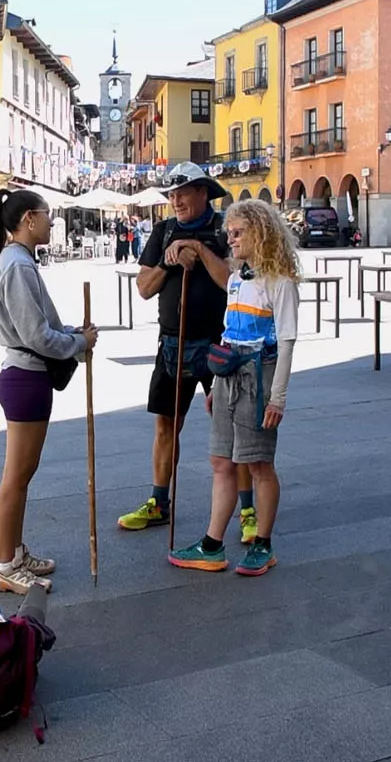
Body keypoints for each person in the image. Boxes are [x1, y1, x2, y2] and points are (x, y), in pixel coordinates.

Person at [117, 162, 255, 544]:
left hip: (220, 344)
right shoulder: (162, 232)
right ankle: (160, 503)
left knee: (235, 432)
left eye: (182, 192)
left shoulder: (226, 228)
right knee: (165, 426)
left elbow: (234, 281)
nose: (175, 200)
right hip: (172, 344)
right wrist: (169, 259)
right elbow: (144, 287)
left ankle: (247, 512)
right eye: (171, 194)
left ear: (203, 193)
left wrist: (196, 248)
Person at [168, 200, 299, 577]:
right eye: (230, 233)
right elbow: (229, 330)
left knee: (259, 464)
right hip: (229, 374)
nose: (232, 239)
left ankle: (263, 543)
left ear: (261, 232)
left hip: (259, 375)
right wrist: (217, 387)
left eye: (238, 233)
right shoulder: (239, 277)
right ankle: (212, 544)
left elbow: (287, 340)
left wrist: (278, 397)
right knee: (221, 462)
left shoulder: (281, 281)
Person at [0, 187, 97, 594]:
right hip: (25, 377)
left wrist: (72, 334)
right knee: (15, 476)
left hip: (29, 377)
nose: (54, 222)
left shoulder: (20, 261)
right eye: (49, 215)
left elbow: (41, 327)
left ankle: (14, 552)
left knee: (23, 473)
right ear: (29, 218)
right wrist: (78, 344)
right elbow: (35, 335)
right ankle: (4, 564)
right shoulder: (16, 264)